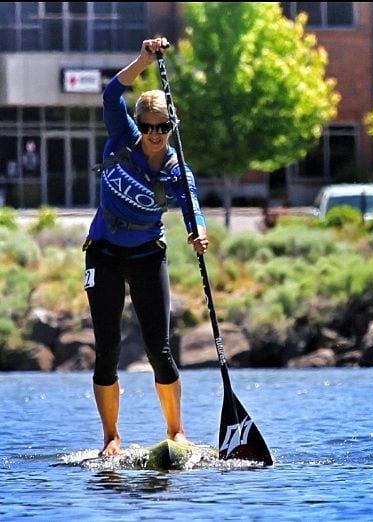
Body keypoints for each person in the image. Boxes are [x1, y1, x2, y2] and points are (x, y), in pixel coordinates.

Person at [83, 38, 208, 457]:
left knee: (160, 347)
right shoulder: (121, 135)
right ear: (141, 125)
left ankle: (177, 432)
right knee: (108, 348)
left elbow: (193, 209)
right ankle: (110, 438)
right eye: (150, 126)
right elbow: (111, 92)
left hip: (147, 255)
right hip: (102, 252)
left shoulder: (177, 170)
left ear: (172, 128)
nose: (156, 135)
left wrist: (199, 233)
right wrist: (143, 60)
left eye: (163, 127)